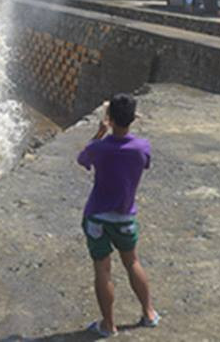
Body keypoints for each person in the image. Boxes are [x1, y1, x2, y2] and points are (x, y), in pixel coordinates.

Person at [76, 94, 159, 337]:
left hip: (97, 217)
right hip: (124, 217)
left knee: (102, 270)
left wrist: (100, 132)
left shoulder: (98, 148)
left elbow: (82, 159)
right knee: (132, 262)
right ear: (133, 118)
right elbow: (144, 163)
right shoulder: (142, 147)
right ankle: (149, 313)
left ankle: (108, 325)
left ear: (109, 118)